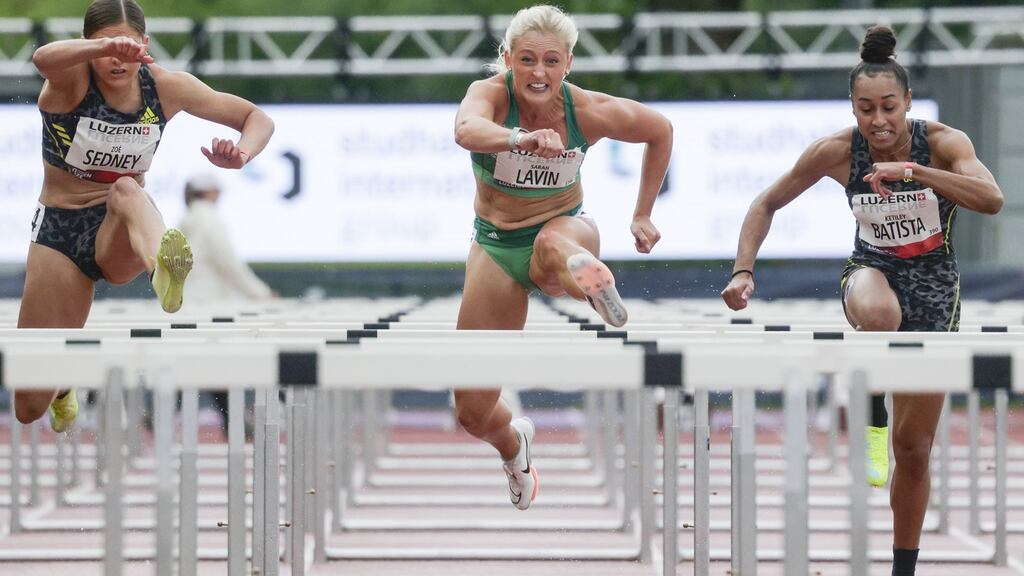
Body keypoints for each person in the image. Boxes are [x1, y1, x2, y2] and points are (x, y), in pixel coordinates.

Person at [721, 25, 1002, 576]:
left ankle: (903, 568)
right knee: (879, 313)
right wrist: (742, 271)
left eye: (888, 108)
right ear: (852, 108)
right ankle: (872, 417)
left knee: (915, 450)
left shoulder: (945, 143)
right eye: (865, 109)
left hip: (936, 289)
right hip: (870, 272)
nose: (878, 121)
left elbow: (991, 199)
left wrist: (917, 172)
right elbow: (766, 202)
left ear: (908, 104)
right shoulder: (837, 152)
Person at [16, 0, 275, 433]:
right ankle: (61, 386)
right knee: (28, 407)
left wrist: (242, 153)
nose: (117, 60)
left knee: (126, 188)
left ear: (146, 44)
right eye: (105, 49)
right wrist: (97, 48)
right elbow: (42, 57)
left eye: (129, 47)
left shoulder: (165, 87)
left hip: (122, 227)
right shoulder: (69, 82)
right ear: (86, 48)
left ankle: (166, 269)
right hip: (60, 234)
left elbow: (256, 118)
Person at [453, 4, 672, 510]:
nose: (538, 73)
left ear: (568, 64)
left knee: (554, 247)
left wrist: (642, 214)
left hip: (567, 228)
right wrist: (519, 138)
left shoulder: (587, 110)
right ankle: (514, 446)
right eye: (526, 60)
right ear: (507, 59)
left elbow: (659, 130)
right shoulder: (488, 96)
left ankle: (588, 283)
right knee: (471, 410)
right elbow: (466, 130)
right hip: (495, 244)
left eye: (551, 61)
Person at [178, 173, 274, 304]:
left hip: (186, 297)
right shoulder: (210, 219)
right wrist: (261, 293)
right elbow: (228, 262)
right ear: (209, 192)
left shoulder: (186, 220)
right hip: (209, 299)